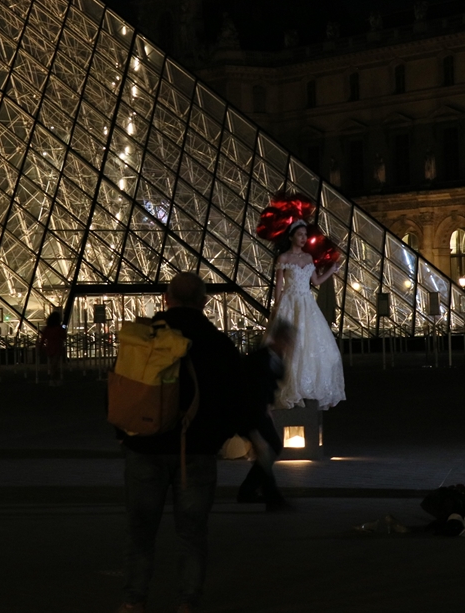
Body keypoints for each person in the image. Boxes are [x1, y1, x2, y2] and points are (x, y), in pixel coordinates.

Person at [117, 272, 242, 613]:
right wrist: (217, 437)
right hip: (197, 450)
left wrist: (125, 436)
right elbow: (237, 399)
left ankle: (133, 601)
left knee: (140, 530)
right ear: (204, 301)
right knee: (192, 533)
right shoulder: (218, 343)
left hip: (144, 446)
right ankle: (187, 603)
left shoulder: (142, 337)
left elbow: (118, 392)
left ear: (165, 298)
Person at [271, 219, 345, 410]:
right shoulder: (284, 258)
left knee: (310, 346)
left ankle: (305, 388)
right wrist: (277, 305)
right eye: (300, 235)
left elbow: (317, 281)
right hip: (290, 302)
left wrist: (331, 270)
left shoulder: (308, 258)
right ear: (291, 237)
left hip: (306, 304)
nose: (304, 238)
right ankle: (291, 389)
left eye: (305, 235)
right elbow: (278, 285)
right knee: (292, 347)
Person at [236, 317, 295, 511]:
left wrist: (268, 407)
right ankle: (272, 497)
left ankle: (249, 490)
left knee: (272, 447)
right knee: (266, 451)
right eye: (287, 340)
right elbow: (250, 390)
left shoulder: (274, 357)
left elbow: (267, 387)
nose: (289, 345)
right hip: (249, 412)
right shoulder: (260, 358)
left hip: (258, 411)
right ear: (278, 338)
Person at [39, 309, 66, 386]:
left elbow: (43, 339)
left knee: (53, 364)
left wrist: (40, 348)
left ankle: (53, 379)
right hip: (57, 347)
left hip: (49, 347)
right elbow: (64, 337)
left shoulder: (47, 329)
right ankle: (53, 379)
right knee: (55, 364)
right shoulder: (59, 328)